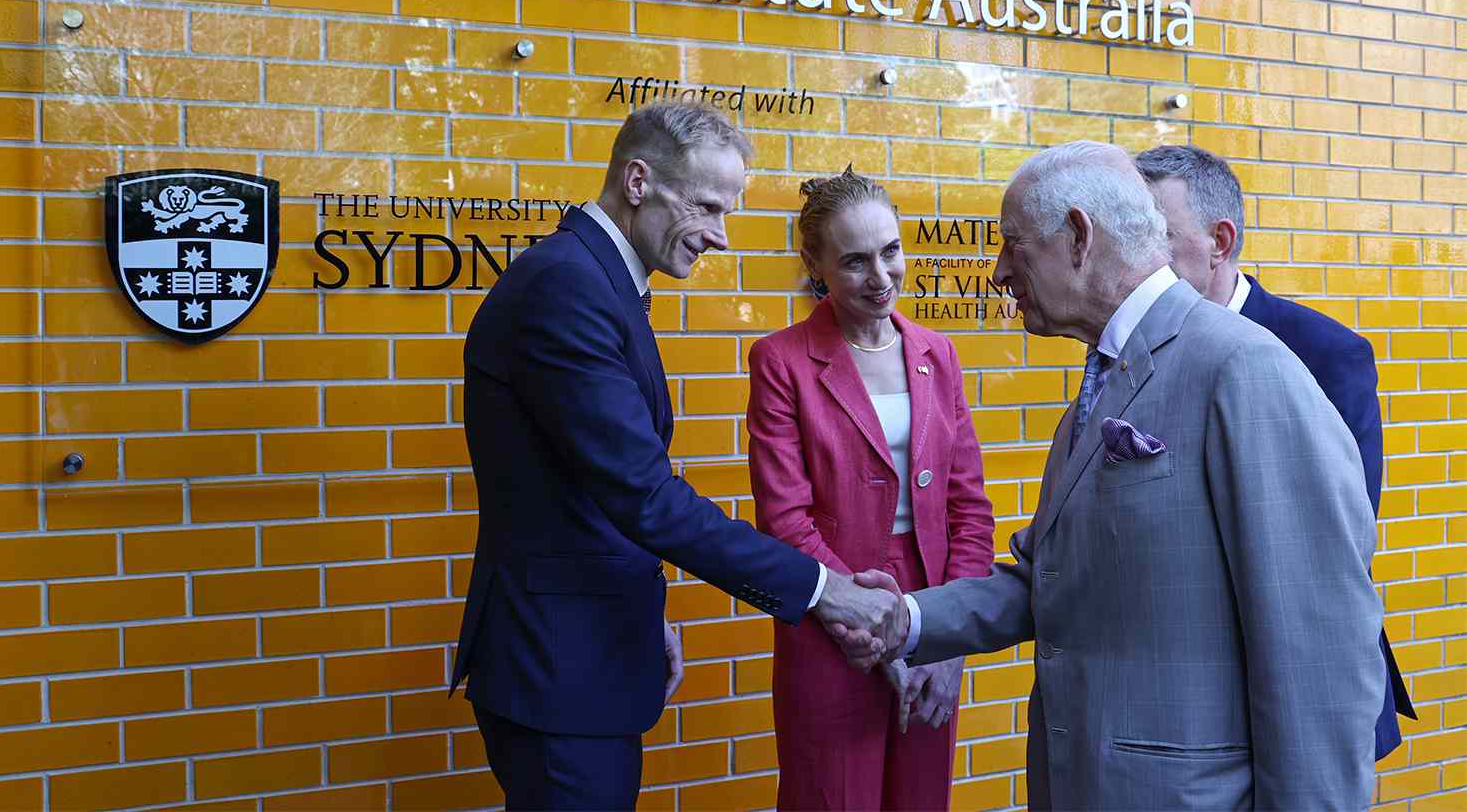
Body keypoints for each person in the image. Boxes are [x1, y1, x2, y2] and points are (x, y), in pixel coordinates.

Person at [831, 141, 1383, 810]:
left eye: (1014, 245)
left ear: (1078, 237)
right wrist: (908, 618)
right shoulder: (1105, 381)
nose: (1001, 272)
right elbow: (1053, 579)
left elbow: (1317, 656)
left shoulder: (1243, 369)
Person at [448, 101, 898, 811]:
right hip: (558, 668)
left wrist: (639, 608)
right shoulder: (568, 288)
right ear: (636, 181)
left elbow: (584, 493)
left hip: (586, 649)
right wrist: (823, 588)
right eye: (708, 208)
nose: (720, 236)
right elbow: (644, 495)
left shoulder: (595, 280)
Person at [1135, 143, 1415, 760]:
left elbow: (1339, 534)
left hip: (1299, 691)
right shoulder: (1131, 349)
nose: (1139, 255)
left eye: (1156, 233)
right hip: (1176, 704)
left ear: (1220, 240)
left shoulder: (1323, 351)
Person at [746, 169, 996, 809]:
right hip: (833, 607)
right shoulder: (782, 360)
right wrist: (859, 618)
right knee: (833, 796)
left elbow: (968, 507)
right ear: (816, 264)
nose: (881, 277)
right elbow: (785, 519)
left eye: (890, 252)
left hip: (931, 601)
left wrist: (949, 641)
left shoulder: (937, 352)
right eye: (855, 261)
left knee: (919, 796)